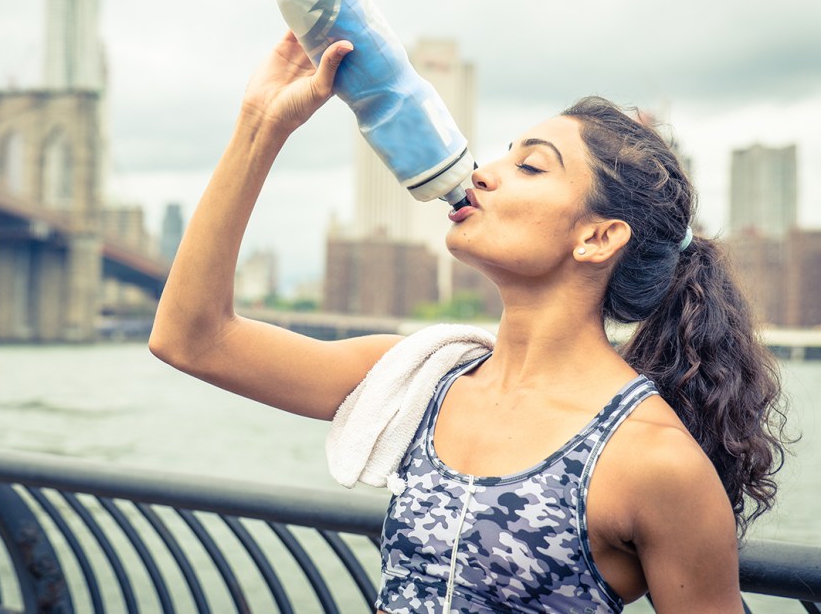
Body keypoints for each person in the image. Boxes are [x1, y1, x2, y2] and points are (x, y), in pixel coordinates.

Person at [149, 32, 788, 613]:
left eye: (530, 166)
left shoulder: (655, 460)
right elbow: (192, 339)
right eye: (505, 156)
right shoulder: (426, 380)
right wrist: (260, 124)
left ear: (596, 237)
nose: (482, 172)